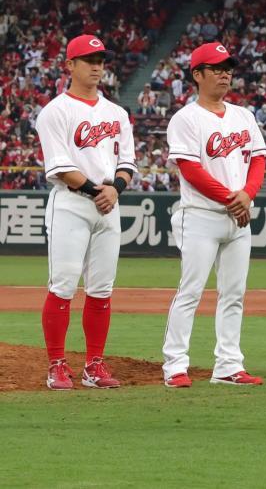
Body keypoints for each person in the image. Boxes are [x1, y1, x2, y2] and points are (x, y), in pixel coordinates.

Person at [161, 42, 266, 388]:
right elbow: (191, 170)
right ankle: (175, 365)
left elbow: (259, 159)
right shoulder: (186, 118)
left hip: (238, 216)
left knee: (234, 293)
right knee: (190, 291)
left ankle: (228, 365)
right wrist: (232, 199)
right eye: (217, 67)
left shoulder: (244, 116)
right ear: (197, 74)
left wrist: (247, 195)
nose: (225, 73)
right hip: (202, 215)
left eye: (228, 68)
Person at [37, 34, 136, 390]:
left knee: (101, 289)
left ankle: (94, 365)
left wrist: (115, 189)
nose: (97, 66)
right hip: (71, 204)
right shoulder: (55, 111)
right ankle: (56, 366)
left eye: (101, 60)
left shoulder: (116, 113)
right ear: (70, 65)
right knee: (63, 286)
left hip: (108, 206)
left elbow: (127, 162)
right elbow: (61, 167)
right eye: (89, 59)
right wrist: (99, 190)